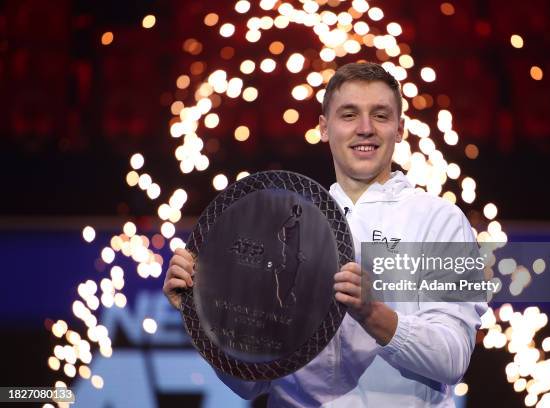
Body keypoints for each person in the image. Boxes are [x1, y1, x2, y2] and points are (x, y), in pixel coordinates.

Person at [164, 62, 486, 407]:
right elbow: (252, 385)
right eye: (349, 115)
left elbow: (453, 358)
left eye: (380, 115)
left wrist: (372, 313)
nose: (365, 128)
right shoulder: (284, 222)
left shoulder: (441, 220)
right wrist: (201, 314)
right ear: (324, 128)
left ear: (400, 129)